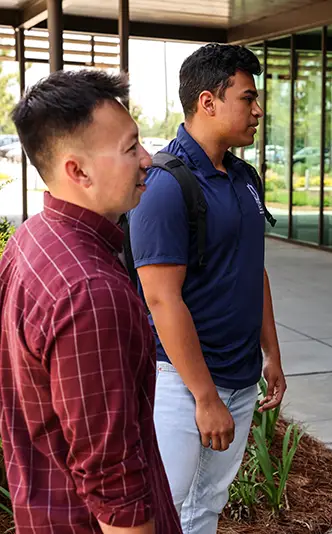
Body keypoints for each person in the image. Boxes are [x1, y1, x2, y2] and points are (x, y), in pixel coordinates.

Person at [0, 70, 180, 533]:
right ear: (77, 171)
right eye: (130, 148)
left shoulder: (30, 240)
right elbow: (113, 482)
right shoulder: (89, 291)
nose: (148, 159)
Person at [127, 43, 286, 534]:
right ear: (207, 102)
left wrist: (272, 355)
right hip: (182, 382)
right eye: (248, 97)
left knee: (206, 506)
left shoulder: (243, 177)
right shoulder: (164, 184)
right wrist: (204, 396)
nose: (258, 110)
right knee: (164, 508)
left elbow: (252, 269)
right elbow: (160, 299)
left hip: (239, 377)